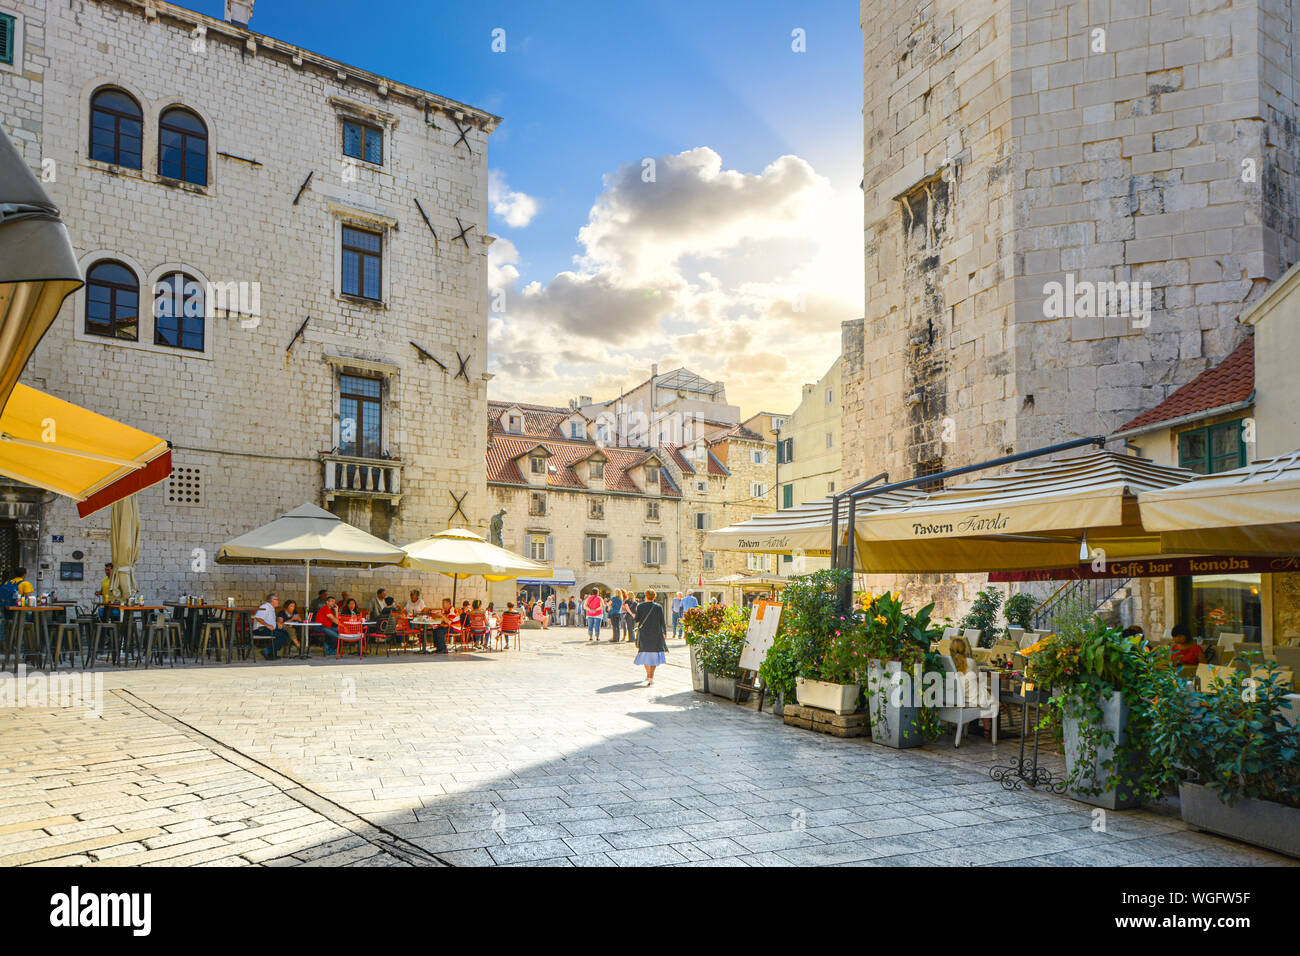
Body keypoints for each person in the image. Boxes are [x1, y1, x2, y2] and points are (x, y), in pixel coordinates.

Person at [634, 588, 669, 685]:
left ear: (645, 596)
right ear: (654, 597)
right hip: (656, 634)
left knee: (645, 654)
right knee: (654, 656)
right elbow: (662, 621)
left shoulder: (640, 606)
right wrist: (665, 632)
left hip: (644, 634)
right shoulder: (658, 607)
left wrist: (632, 611)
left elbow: (637, 620)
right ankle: (651, 677)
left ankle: (648, 675)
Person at [252, 592, 290, 660]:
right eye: (277, 599)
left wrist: (277, 623)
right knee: (282, 636)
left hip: (266, 628)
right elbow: (258, 617)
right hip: (260, 629)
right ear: (272, 600)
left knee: (285, 634)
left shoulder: (271, 608)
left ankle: (271, 654)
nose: (278, 601)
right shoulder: (265, 606)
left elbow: (269, 620)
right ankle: (267, 651)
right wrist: (268, 625)